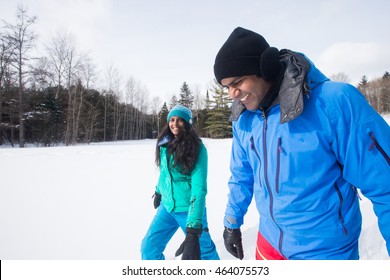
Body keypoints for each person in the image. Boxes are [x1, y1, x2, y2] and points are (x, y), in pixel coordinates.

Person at [213, 27, 390, 260]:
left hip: (324, 252)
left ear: (265, 68)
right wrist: (231, 222)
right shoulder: (244, 118)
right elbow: (242, 174)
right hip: (268, 245)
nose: (232, 94)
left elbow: (385, 185)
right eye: (226, 87)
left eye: (237, 82)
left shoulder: (333, 103)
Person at [141, 104, 219, 260]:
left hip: (189, 209)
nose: (174, 124)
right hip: (167, 207)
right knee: (148, 248)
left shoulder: (198, 148)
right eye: (172, 119)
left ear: (188, 123)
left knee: (205, 252)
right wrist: (158, 191)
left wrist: (194, 226)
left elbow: (199, 187)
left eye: (180, 120)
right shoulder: (164, 144)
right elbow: (165, 174)